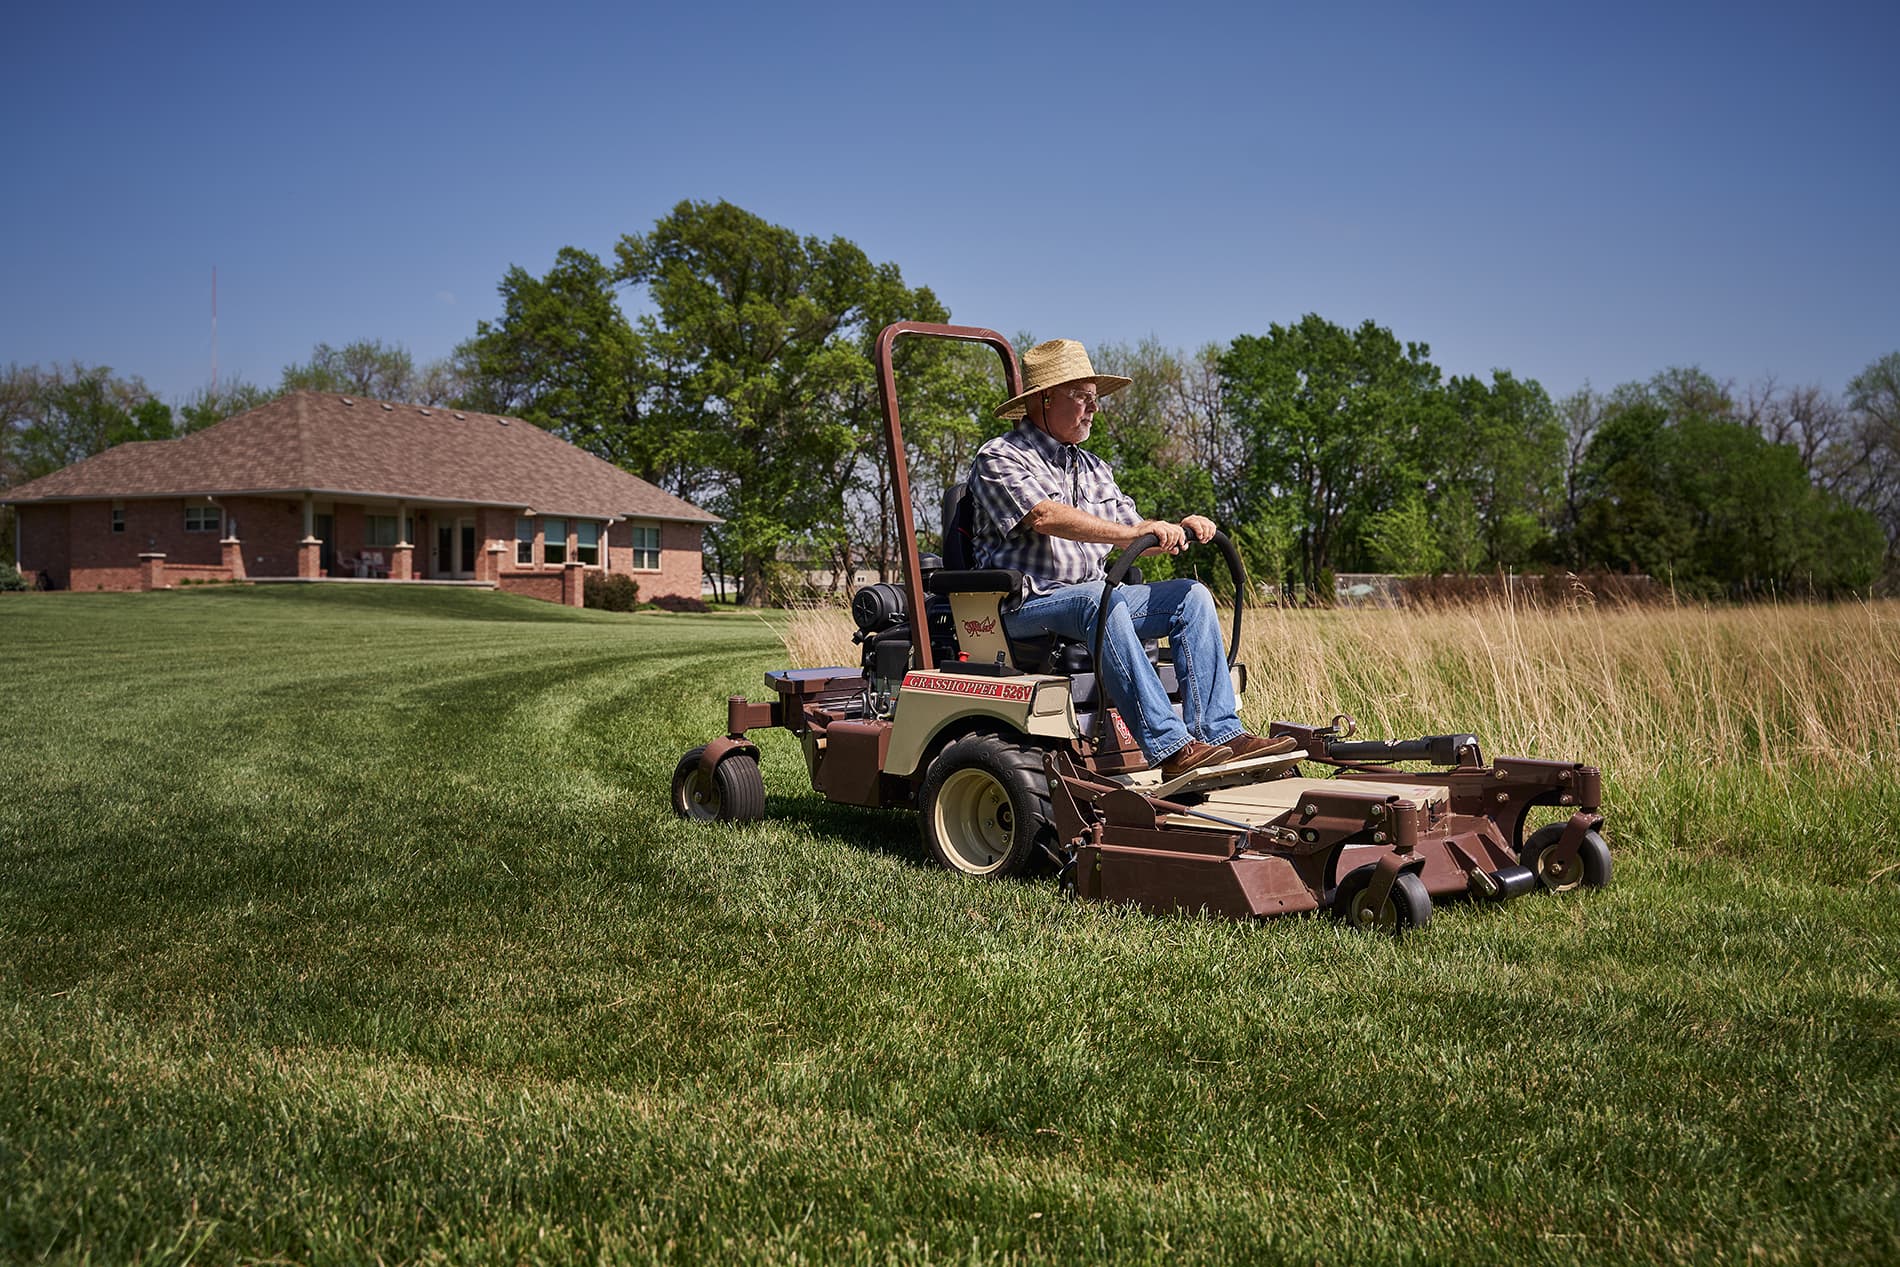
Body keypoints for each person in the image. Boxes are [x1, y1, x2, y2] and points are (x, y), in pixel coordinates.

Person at [968, 338, 1296, 779]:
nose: (1094, 409)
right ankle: (1171, 749)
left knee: (1191, 597)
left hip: (1094, 602)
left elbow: (1135, 532)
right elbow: (1044, 515)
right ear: (1045, 399)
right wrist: (1131, 533)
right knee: (1099, 600)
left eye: (1095, 398)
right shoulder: (1000, 456)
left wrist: (1179, 530)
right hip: (1023, 609)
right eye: (1083, 397)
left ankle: (1220, 734)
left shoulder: (1094, 467)